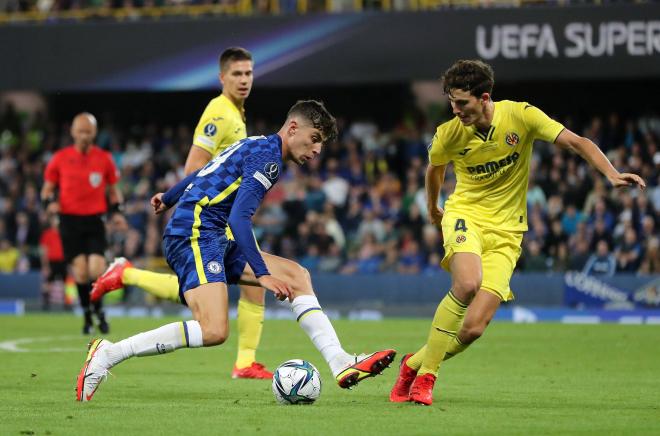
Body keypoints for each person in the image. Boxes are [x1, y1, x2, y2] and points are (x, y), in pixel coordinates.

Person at [75, 100, 396, 402]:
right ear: (293, 128)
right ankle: (107, 354)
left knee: (298, 276)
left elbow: (206, 171)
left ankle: (339, 361)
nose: (316, 150)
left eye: (321, 144)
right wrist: (263, 274)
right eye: (314, 139)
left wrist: (170, 195)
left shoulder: (256, 143)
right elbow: (239, 218)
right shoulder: (268, 160)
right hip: (193, 234)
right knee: (214, 330)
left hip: (208, 233)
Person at [389, 59, 646, 406]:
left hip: (509, 231)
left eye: (461, 102)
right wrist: (433, 206)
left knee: (474, 328)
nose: (455, 109)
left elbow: (576, 142)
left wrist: (612, 174)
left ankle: (413, 364)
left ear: (484, 97)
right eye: (451, 101)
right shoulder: (448, 133)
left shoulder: (521, 116)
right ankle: (426, 378)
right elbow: (434, 171)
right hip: (466, 214)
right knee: (466, 284)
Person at [91, 47, 274, 379]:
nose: (244, 80)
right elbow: (195, 166)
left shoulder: (235, 112)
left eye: (248, 73)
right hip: (211, 220)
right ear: (222, 77)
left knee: (229, 288)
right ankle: (245, 362)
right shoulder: (219, 113)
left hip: (218, 217)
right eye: (237, 74)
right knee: (226, 294)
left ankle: (127, 275)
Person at [41, 112, 124, 334]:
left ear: (95, 133)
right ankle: (88, 315)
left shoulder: (104, 158)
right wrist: (50, 203)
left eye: (88, 131)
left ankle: (100, 311)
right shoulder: (59, 158)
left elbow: (114, 190)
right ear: (73, 132)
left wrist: (117, 212)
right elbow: (47, 189)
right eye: (80, 131)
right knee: (80, 273)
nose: (84, 135)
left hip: (95, 220)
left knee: (96, 269)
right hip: (69, 221)